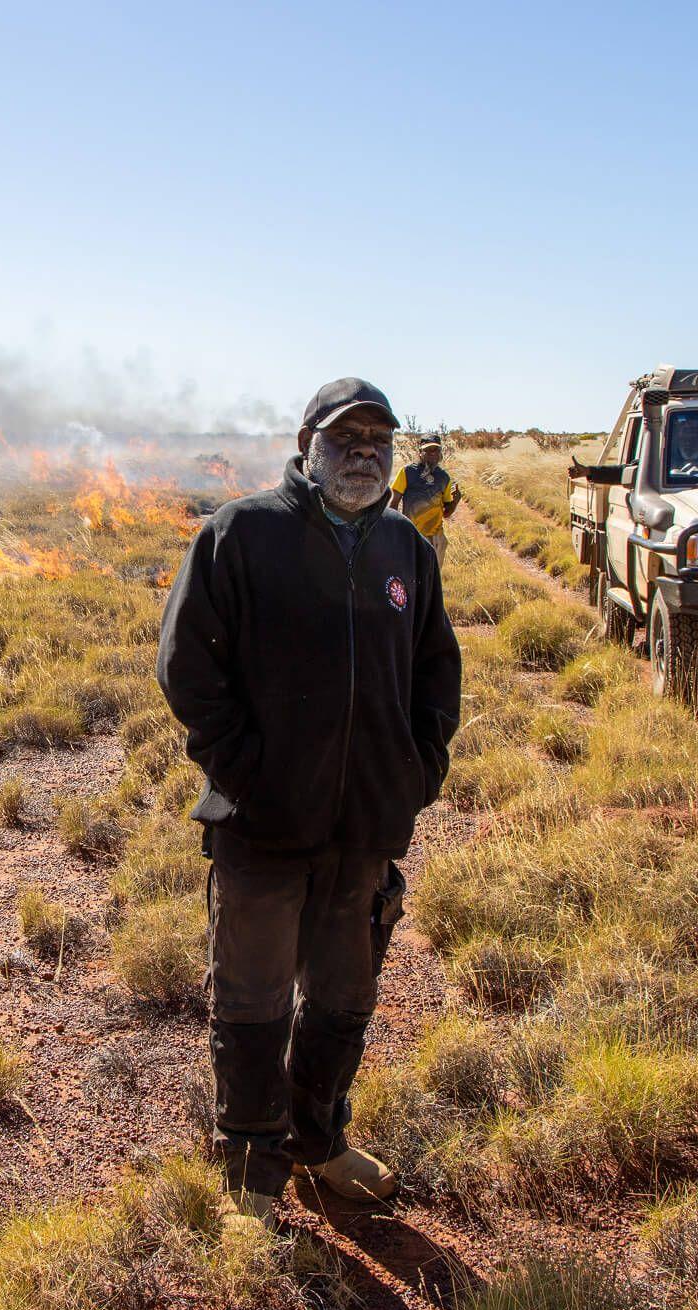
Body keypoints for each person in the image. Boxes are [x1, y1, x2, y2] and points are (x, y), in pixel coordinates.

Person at [156, 377, 461, 1227]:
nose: (364, 451)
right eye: (346, 436)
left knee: (342, 998)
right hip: (262, 826)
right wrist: (244, 772)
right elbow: (187, 666)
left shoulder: (405, 547)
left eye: (379, 439)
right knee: (251, 1003)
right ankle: (253, 1168)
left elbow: (438, 670)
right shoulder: (243, 533)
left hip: (365, 826)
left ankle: (319, 1142)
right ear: (306, 442)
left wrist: (417, 768)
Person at [390, 438, 462, 556]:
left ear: (440, 453)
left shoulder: (444, 477)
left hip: (436, 538)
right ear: (420, 452)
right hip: (412, 535)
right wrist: (396, 530)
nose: (432, 453)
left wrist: (455, 503)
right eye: (428, 450)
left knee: (434, 574)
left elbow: (446, 514)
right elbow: (393, 503)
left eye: (436, 449)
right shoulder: (407, 472)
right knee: (410, 573)